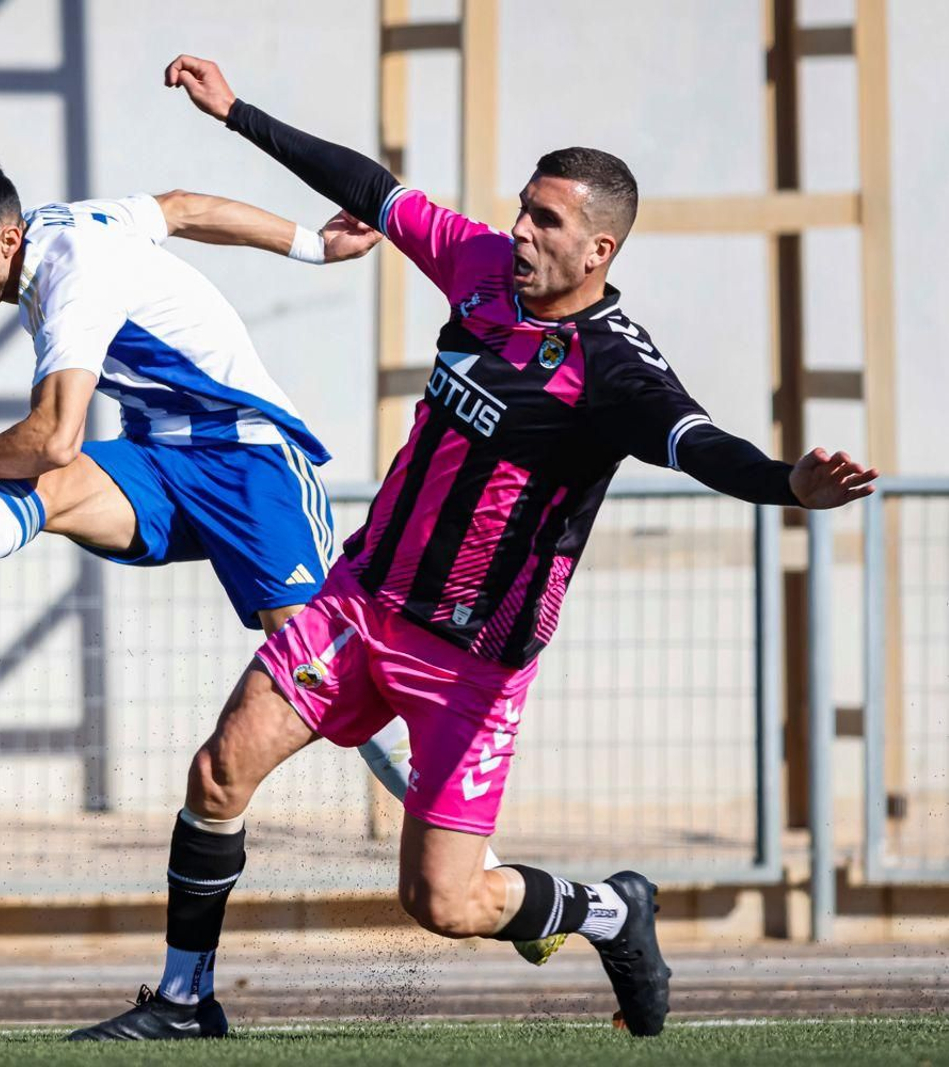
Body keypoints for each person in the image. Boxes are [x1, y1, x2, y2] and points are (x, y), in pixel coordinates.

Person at [66, 56, 879, 1042]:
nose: (521, 232)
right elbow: (372, 190)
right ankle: (185, 997)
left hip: (471, 662)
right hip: (360, 600)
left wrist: (787, 482)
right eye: (523, 210)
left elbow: (700, 443)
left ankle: (610, 910)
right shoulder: (483, 268)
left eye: (546, 222)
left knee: (444, 901)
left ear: (599, 250)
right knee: (217, 772)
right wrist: (235, 111)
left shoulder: (616, 369)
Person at [0, 151, 568, 966]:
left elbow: (51, 433)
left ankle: (493, 881)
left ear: (5, 238)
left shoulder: (71, 278)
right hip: (162, 456)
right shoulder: (72, 222)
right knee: (55, 491)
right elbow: (183, 204)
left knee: (341, 685)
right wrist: (311, 244)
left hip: (251, 467)